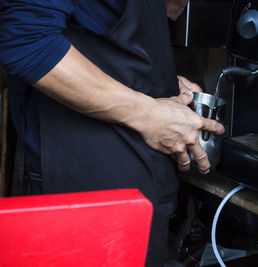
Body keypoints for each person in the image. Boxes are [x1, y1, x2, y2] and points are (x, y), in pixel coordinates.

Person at [0, 0, 224, 266]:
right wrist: (147, 113)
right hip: (86, 184)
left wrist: (158, 80)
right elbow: (27, 40)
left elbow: (96, 28)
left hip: (139, 179)